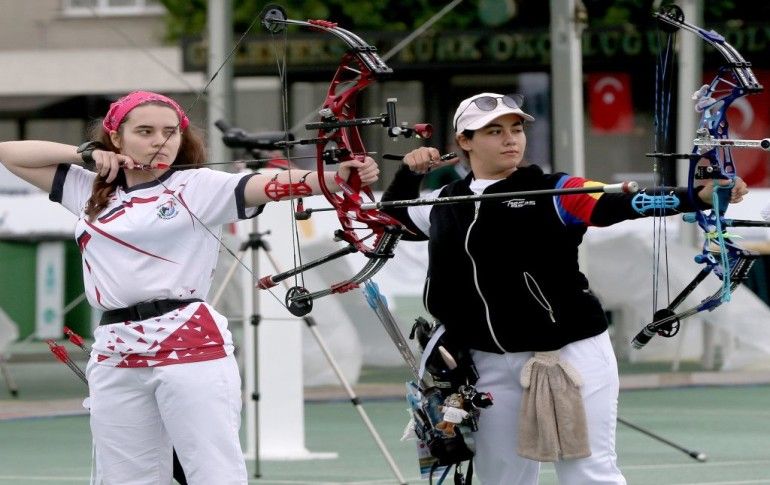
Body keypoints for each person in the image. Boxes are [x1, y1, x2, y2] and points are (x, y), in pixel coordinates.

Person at [0, 90, 380, 485]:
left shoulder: (198, 185)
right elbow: (9, 153)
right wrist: (86, 154)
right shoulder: (91, 189)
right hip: (115, 349)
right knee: (124, 476)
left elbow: (267, 183)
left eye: (170, 132)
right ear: (116, 137)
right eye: (144, 131)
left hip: (188, 342)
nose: (159, 141)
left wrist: (335, 179)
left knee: (212, 472)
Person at [380, 92, 748, 485]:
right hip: (486, 363)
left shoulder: (555, 190)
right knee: (501, 478)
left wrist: (695, 196)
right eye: (494, 131)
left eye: (516, 129)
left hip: (568, 354)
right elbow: (389, 220)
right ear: (464, 141)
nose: (511, 139)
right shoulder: (445, 201)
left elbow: (620, 202)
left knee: (586, 473)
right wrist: (409, 173)